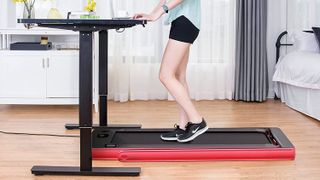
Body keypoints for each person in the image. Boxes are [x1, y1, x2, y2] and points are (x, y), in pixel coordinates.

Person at [134, 0, 208, 143]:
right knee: (179, 77)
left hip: (186, 21)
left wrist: (158, 13)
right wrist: (152, 14)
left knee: (165, 75)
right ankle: (183, 125)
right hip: (183, 21)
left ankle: (197, 121)